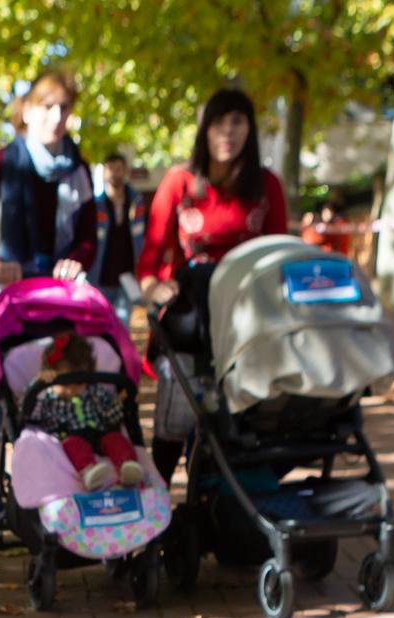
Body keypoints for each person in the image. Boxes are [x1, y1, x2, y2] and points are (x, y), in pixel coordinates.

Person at [0, 70, 96, 516]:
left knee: (59, 398)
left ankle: (60, 486)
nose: (56, 116)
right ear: (27, 111)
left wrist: (78, 259)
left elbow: (89, 235)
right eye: (47, 106)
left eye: (64, 108)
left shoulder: (78, 169)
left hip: (54, 306)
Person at [137, 88, 288, 483]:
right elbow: (150, 263)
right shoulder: (179, 182)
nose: (228, 132)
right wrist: (157, 289)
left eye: (238, 122)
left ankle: (231, 503)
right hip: (191, 318)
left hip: (247, 319)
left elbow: (278, 256)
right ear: (205, 130)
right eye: (219, 123)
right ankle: (158, 500)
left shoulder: (266, 185)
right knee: (177, 415)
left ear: (250, 130)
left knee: (247, 419)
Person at [30, 331, 142, 490]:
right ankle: (89, 472)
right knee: (73, 445)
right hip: (70, 435)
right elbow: (30, 413)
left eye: (80, 384)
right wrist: (39, 385)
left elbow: (108, 416)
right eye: (66, 385)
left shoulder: (94, 391)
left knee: (116, 439)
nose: (72, 390)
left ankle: (128, 467)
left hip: (99, 433)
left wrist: (121, 403)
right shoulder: (48, 398)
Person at [88, 151, 145, 328]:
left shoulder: (137, 202)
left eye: (119, 169)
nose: (115, 173)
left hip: (128, 275)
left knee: (123, 326)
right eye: (111, 169)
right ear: (104, 173)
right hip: (101, 276)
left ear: (125, 171)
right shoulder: (95, 205)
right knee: (99, 325)